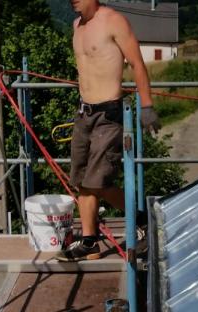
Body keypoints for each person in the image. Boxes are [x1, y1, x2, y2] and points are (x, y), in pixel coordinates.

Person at [57, 0, 160, 261]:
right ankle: (89, 242)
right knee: (81, 181)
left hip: (109, 114)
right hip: (84, 113)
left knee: (99, 181)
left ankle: (143, 220)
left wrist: (146, 106)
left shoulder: (113, 20)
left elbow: (137, 63)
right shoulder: (77, 26)